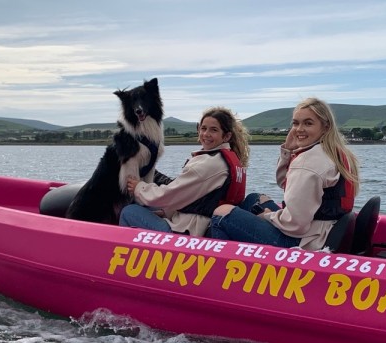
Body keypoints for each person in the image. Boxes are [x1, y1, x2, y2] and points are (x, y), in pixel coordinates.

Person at [209, 97, 359, 250]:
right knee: (254, 199)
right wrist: (288, 150)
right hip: (322, 231)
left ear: (325, 127)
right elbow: (285, 183)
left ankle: (226, 265)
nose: (299, 129)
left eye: (308, 123)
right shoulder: (333, 153)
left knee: (221, 213)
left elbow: (295, 224)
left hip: (304, 242)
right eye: (296, 123)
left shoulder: (308, 163)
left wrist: (267, 216)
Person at [119, 106, 250, 236]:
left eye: (214, 130)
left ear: (226, 136)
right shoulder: (227, 159)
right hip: (201, 223)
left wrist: (139, 187)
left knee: (129, 211)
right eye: (203, 128)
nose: (206, 134)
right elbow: (192, 197)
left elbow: (168, 195)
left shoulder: (210, 163)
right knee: (152, 207)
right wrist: (167, 212)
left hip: (188, 232)